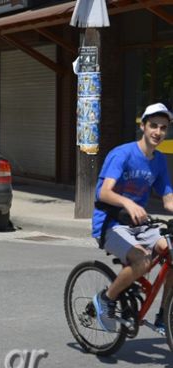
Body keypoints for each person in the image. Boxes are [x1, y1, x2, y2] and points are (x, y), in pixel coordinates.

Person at [92, 103, 173, 335]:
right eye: (154, 126)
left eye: (163, 128)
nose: (158, 132)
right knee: (143, 261)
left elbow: (168, 200)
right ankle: (106, 299)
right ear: (143, 126)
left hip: (139, 225)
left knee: (172, 251)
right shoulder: (122, 154)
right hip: (110, 224)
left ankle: (165, 316)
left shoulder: (159, 161)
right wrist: (128, 202)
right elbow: (103, 192)